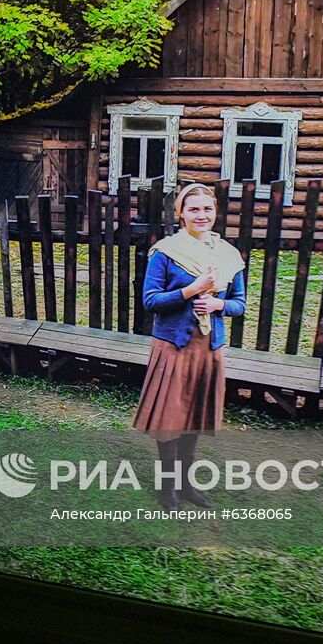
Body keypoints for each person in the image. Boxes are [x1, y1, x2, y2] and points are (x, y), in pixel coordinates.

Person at [132, 182, 248, 511]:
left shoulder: (228, 255)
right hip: (173, 345)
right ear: (181, 214)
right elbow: (150, 301)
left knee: (194, 417)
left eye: (207, 209)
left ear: (216, 213)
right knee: (171, 418)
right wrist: (191, 290)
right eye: (193, 209)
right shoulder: (166, 252)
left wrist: (217, 306)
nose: (201, 215)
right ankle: (166, 487)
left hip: (209, 348)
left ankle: (185, 484)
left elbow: (239, 304)